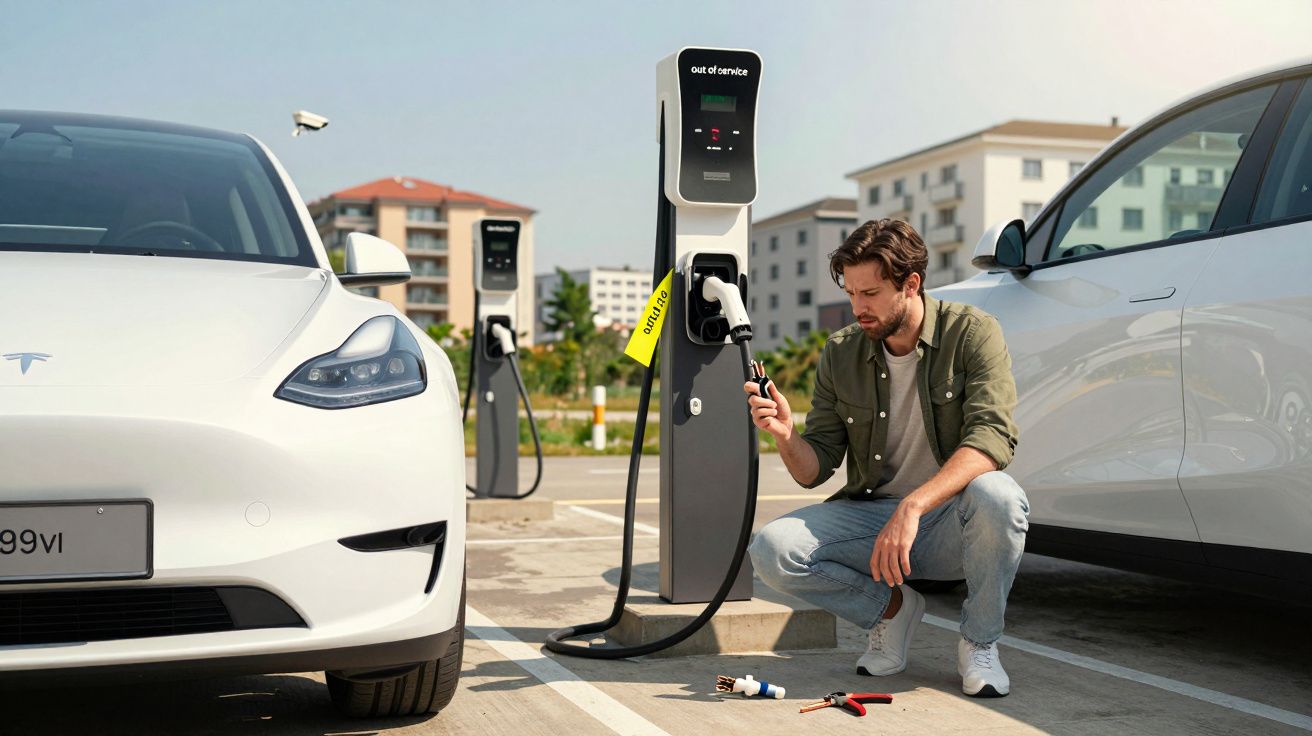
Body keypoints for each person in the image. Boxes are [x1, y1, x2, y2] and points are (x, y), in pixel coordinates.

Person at [744, 218, 1027, 698]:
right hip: (872, 521)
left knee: (999, 496)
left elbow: (992, 439)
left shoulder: (973, 333)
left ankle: (979, 644)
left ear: (911, 283)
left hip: (948, 522)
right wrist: (786, 433)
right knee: (772, 550)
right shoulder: (842, 352)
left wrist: (912, 506)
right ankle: (892, 612)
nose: (857, 308)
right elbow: (815, 469)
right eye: (851, 293)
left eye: (870, 293)